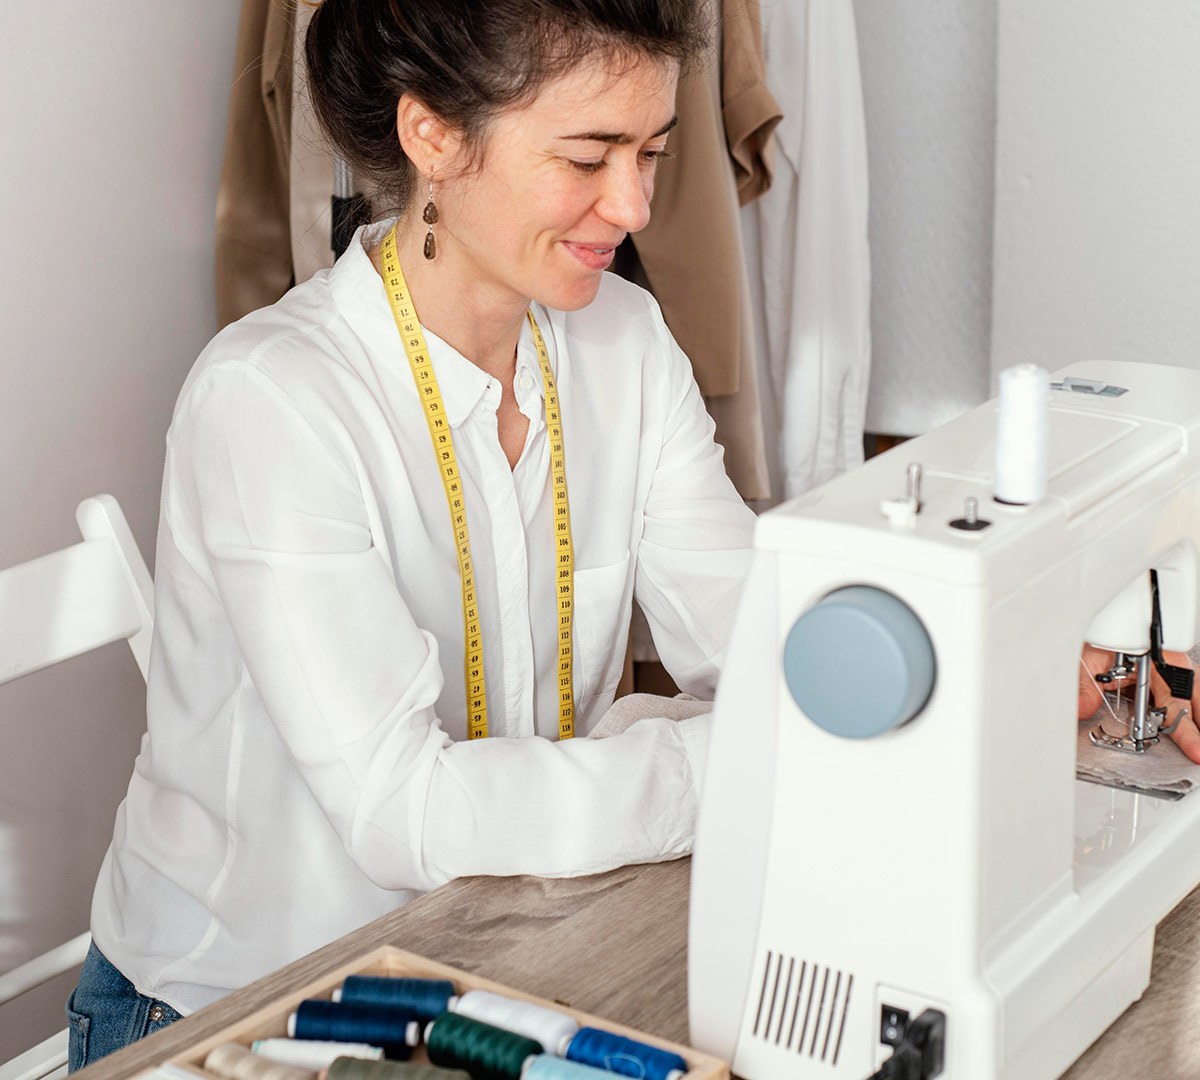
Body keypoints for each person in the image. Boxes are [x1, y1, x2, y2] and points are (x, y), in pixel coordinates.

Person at [66, 0, 756, 1070]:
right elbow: (407, 813)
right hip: (241, 1018)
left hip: (492, 962)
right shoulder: (274, 399)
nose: (634, 204)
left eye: (652, 152)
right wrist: (722, 759)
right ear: (432, 133)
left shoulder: (624, 340)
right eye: (588, 157)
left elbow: (755, 643)